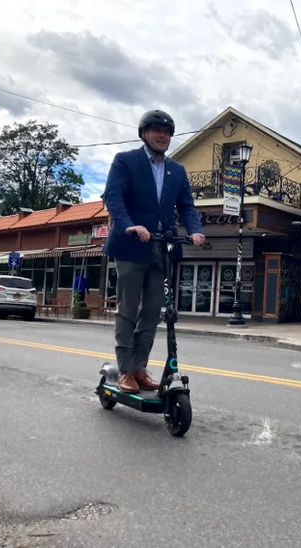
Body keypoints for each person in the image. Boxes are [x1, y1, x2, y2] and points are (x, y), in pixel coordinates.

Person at [102, 110, 205, 394]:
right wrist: (129, 225)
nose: (163, 136)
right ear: (144, 133)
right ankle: (125, 369)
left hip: (162, 247)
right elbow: (113, 197)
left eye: (167, 132)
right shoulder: (125, 161)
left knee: (151, 313)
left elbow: (186, 206)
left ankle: (139, 367)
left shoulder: (177, 170)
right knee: (128, 311)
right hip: (131, 245)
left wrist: (195, 229)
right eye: (157, 130)